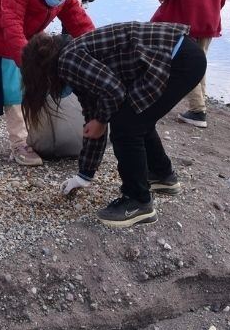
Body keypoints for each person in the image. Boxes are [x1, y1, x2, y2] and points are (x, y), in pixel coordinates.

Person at [19, 22, 207, 228]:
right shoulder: (70, 58)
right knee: (137, 117)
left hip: (177, 58)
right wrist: (83, 175)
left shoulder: (68, 61)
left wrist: (100, 121)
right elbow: (93, 118)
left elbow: (115, 92)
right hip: (184, 54)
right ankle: (163, 176)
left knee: (127, 124)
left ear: (42, 71)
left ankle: (138, 201)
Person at [0, 0, 94, 166]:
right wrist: (27, 64)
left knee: (35, 89)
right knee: (13, 93)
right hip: (0, 41)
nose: (59, 1)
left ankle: (37, 136)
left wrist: (99, 47)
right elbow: (12, 28)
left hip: (30, 38)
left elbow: (80, 22)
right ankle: (19, 144)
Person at [151, 0, 227, 129]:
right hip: (208, 23)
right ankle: (200, 105)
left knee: (186, 64)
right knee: (200, 62)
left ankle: (197, 110)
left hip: (182, 24)